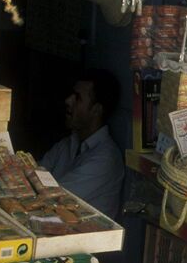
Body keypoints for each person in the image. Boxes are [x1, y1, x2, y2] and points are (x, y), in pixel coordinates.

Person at [39, 69, 125, 217]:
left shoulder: (105, 159)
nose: (68, 101)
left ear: (96, 110)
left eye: (77, 98)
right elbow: (34, 174)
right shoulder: (68, 144)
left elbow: (55, 199)